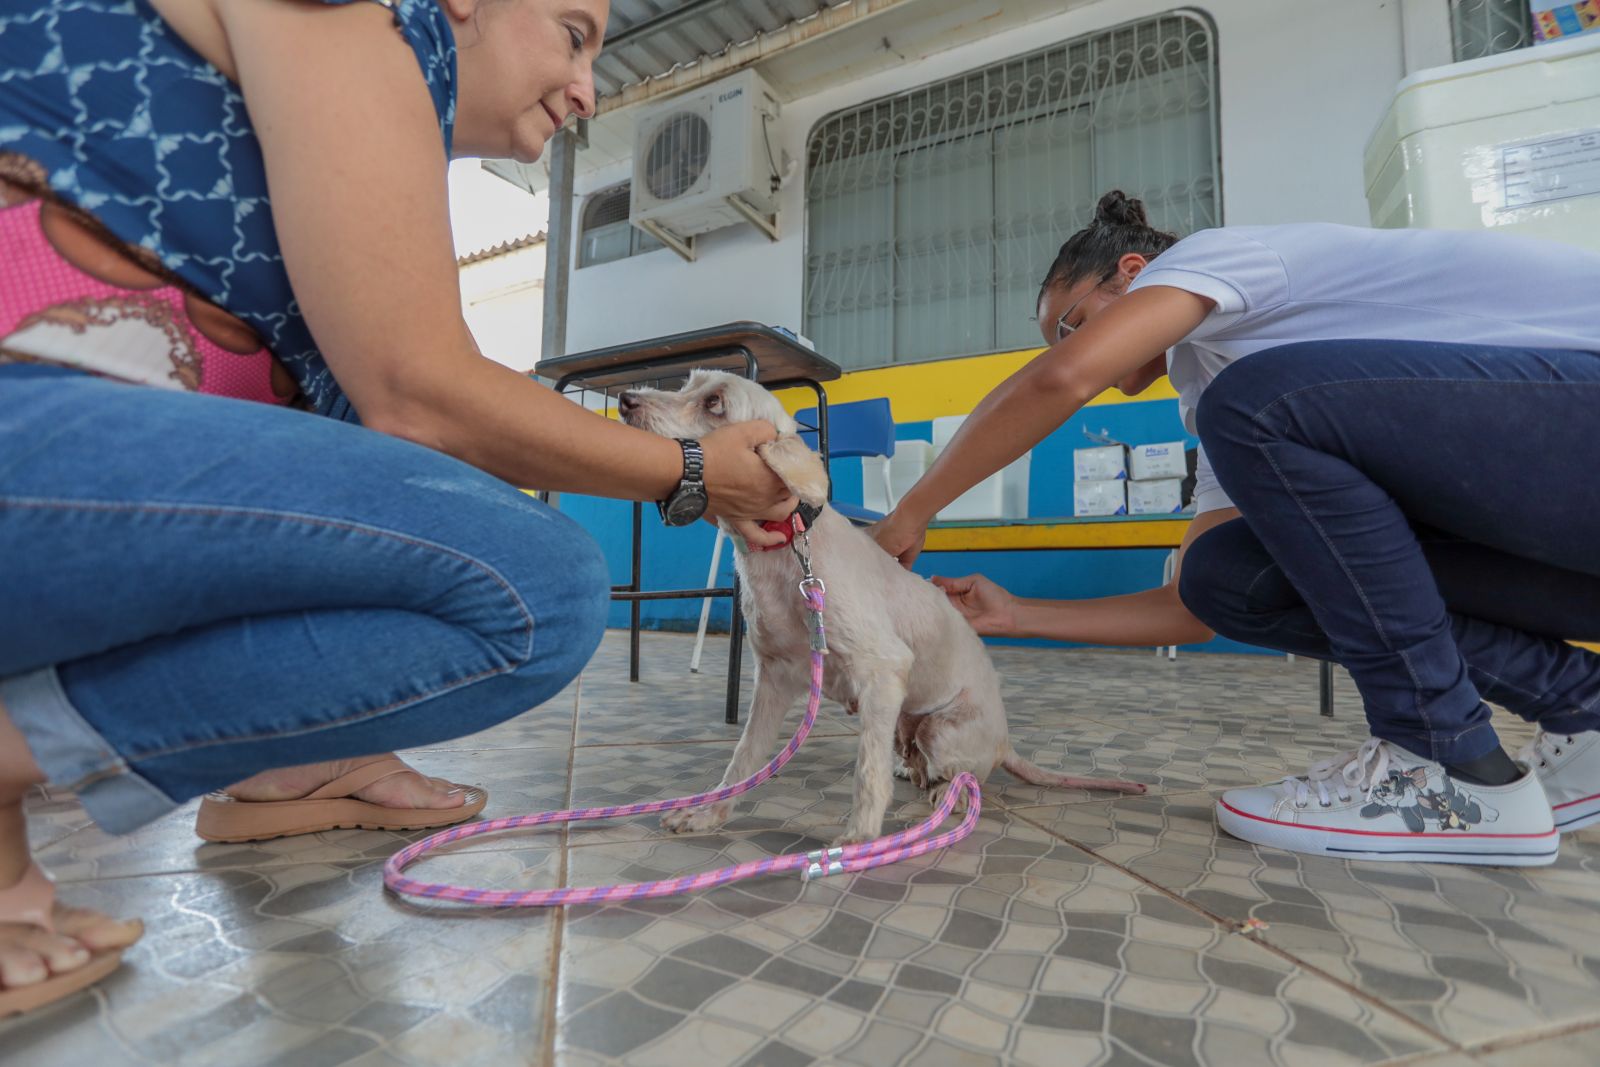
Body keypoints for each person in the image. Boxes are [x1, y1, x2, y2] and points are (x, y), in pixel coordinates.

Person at [0, 0, 798, 1014]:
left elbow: (377, 472)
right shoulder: (358, 12)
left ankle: (290, 767)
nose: (590, 88)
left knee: (447, 539)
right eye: (573, 32)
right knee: (535, 587)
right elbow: (421, 391)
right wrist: (691, 465)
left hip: (55, 477)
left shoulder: (353, 143)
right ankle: (16, 749)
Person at [873, 190, 1600, 868]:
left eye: (1069, 326)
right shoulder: (1222, 390)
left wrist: (914, 509)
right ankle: (1582, 707)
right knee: (1228, 568)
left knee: (1255, 405)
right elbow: (1200, 603)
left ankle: (1448, 761)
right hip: (1562, 533)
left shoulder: (1220, 262)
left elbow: (1061, 381)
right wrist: (1016, 614)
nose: (1065, 348)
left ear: (1132, 273)